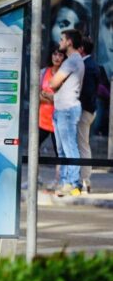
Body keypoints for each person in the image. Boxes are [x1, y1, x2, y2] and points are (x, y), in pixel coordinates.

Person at [46, 29, 86, 196]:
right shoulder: (73, 60)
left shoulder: (71, 61)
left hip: (67, 110)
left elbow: (53, 83)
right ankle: (64, 182)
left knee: (69, 148)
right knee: (62, 150)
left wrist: (54, 85)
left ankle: (73, 183)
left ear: (69, 42)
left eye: (62, 39)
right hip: (62, 109)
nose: (60, 42)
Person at [77, 37, 99, 192]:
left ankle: (85, 179)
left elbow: (88, 92)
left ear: (82, 49)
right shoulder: (90, 64)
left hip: (84, 110)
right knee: (82, 143)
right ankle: (84, 178)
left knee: (82, 144)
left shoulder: (87, 66)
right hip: (88, 109)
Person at [38, 50, 65, 158]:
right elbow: (37, 95)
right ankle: (34, 174)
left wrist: (47, 96)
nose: (57, 57)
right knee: (34, 148)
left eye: (60, 55)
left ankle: (61, 175)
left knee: (60, 153)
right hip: (42, 119)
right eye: (54, 54)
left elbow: (64, 99)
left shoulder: (65, 75)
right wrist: (53, 99)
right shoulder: (43, 72)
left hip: (58, 120)